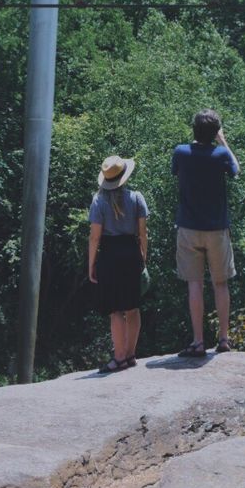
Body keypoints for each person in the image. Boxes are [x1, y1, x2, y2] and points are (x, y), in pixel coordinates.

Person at [171, 109, 241, 358]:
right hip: (217, 229)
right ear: (215, 133)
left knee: (195, 285)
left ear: (194, 129)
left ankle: (198, 342)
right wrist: (223, 141)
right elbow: (236, 169)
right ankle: (223, 339)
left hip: (189, 227)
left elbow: (175, 171)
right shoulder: (221, 154)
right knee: (220, 284)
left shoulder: (181, 152)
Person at [87, 154, 149, 373]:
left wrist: (91, 264)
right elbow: (143, 233)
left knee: (115, 310)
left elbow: (95, 237)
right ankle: (131, 355)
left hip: (109, 255)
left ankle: (119, 357)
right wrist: (143, 257)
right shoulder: (137, 198)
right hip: (131, 252)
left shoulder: (98, 201)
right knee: (132, 307)